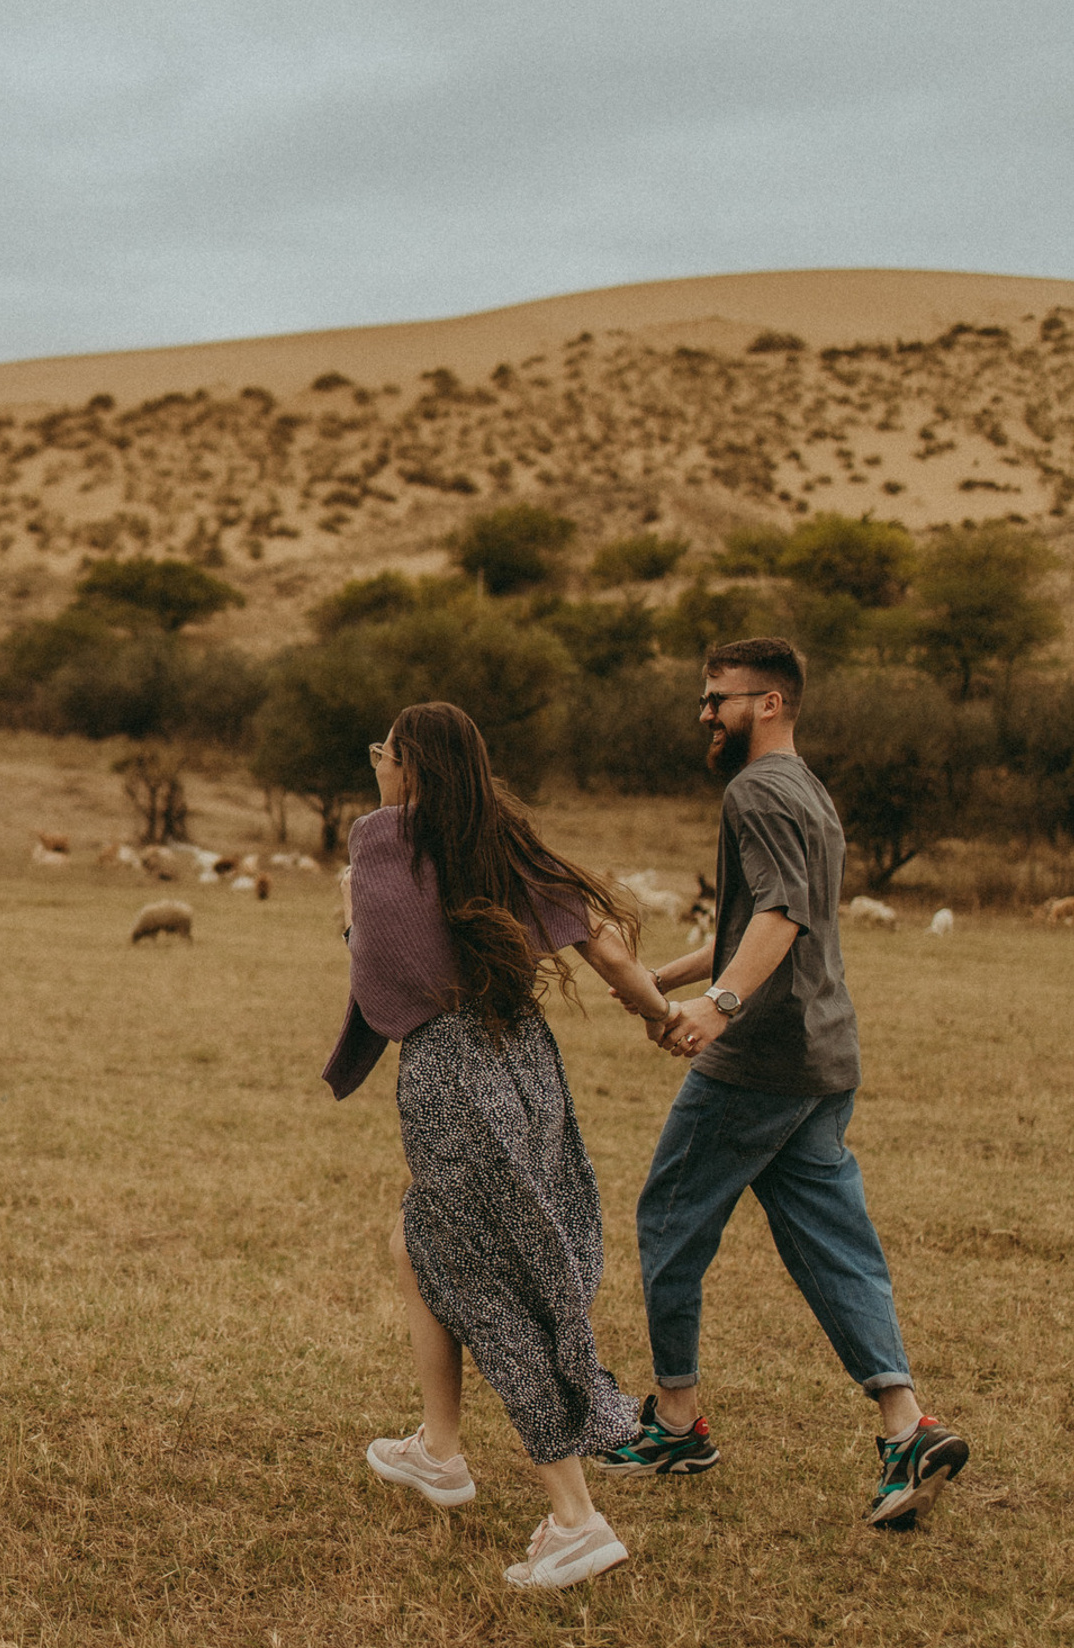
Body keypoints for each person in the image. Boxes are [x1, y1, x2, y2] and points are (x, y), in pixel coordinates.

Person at [594, 637, 969, 1529]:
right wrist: (663, 981)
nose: (704, 713)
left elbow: (783, 913)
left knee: (669, 1218)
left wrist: (718, 1006)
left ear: (768, 704)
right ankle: (906, 1425)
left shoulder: (755, 790)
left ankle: (678, 1422)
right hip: (822, 1055)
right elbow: (772, 923)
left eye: (717, 697)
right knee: (833, 1242)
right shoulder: (808, 790)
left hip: (759, 1060)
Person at [324, 700, 672, 1591]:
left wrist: (352, 916)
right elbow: (609, 954)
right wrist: (666, 1018)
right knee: (417, 1242)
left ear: (408, 766)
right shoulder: (500, 842)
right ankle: (440, 1449)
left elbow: (378, 975)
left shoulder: (381, 844)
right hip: (527, 1067)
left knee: (489, 1284)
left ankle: (574, 1516)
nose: (376, 768)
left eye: (381, 754)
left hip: (450, 1079)